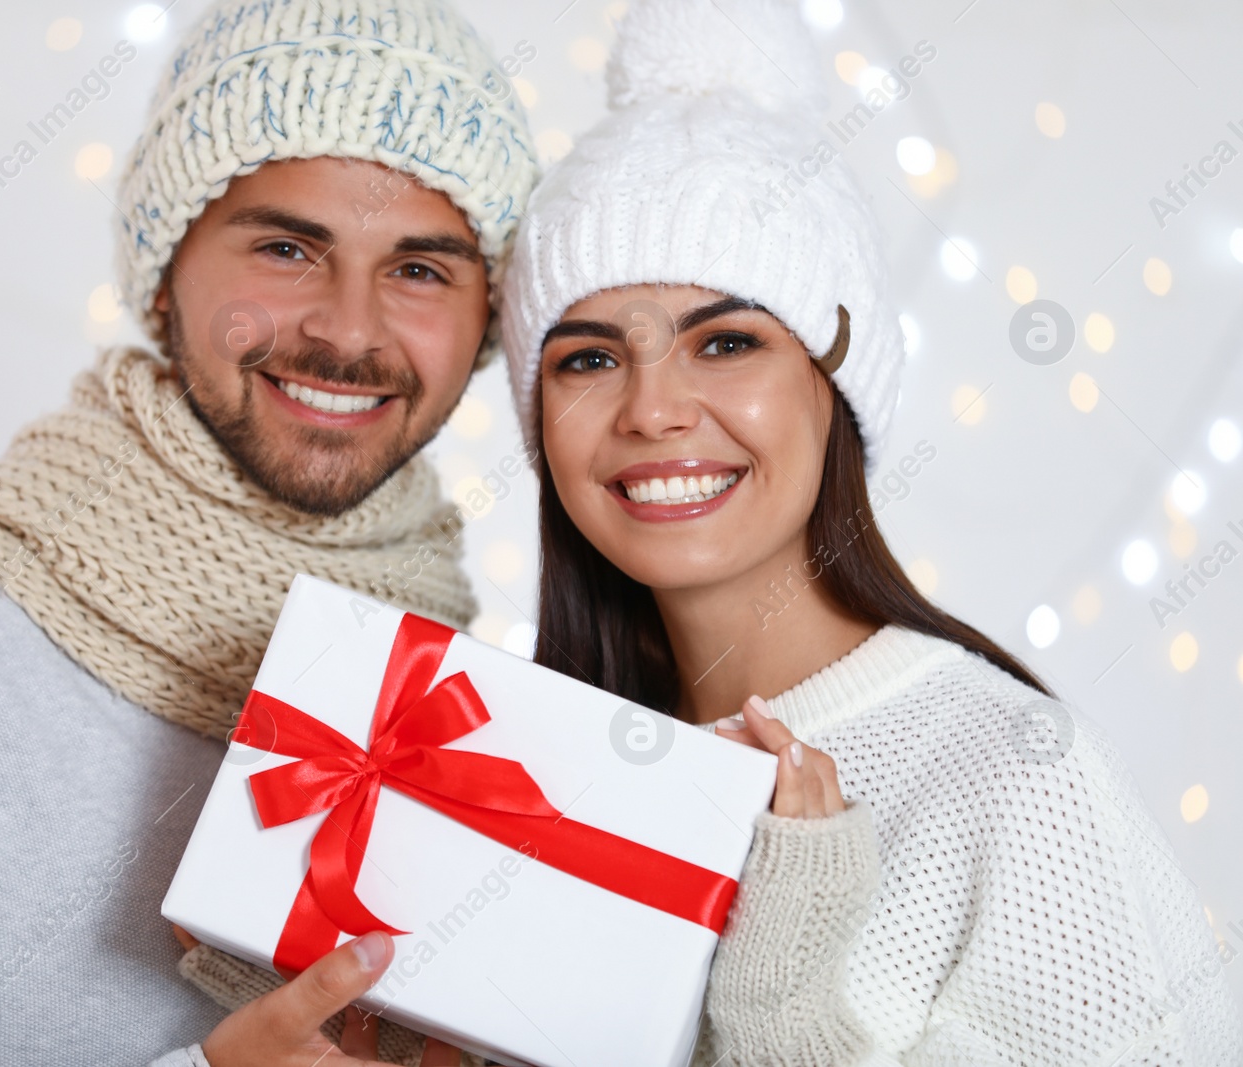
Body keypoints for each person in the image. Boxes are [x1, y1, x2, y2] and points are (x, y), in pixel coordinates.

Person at [0, 1, 536, 1064]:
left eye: (420, 268)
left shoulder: (472, 713)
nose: (348, 328)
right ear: (163, 276)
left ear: (487, 316)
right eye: (289, 247)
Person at [495, 1, 1243, 1064]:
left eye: (727, 342)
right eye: (587, 357)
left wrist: (782, 1008)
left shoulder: (1012, 774)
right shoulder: (537, 774)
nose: (651, 410)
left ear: (834, 387)